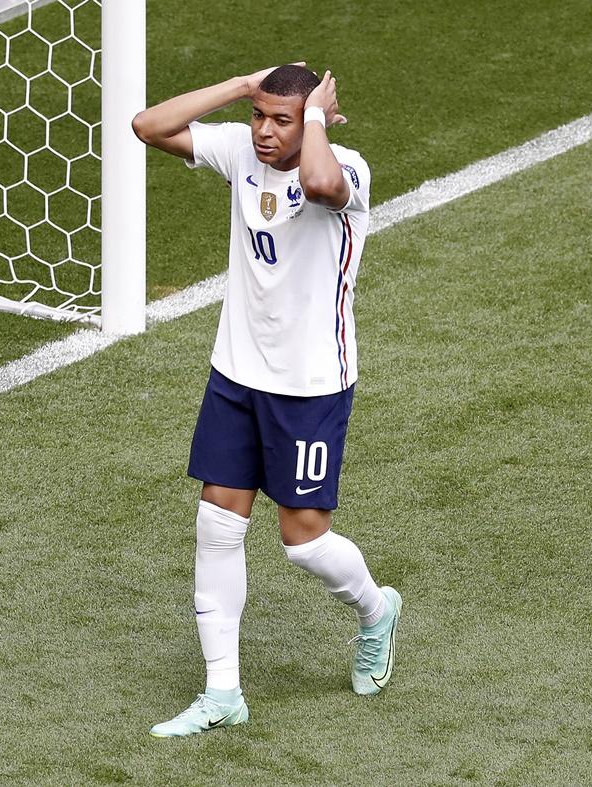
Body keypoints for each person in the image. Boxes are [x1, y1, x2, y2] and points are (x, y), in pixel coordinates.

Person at [132, 63, 401, 738]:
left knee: (303, 542)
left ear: (314, 119)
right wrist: (240, 86)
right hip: (236, 375)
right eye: (261, 117)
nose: (263, 132)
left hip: (310, 386)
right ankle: (223, 690)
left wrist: (314, 122)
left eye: (281, 120)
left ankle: (375, 610)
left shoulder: (350, 171)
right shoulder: (240, 149)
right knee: (217, 526)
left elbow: (317, 183)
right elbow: (148, 126)